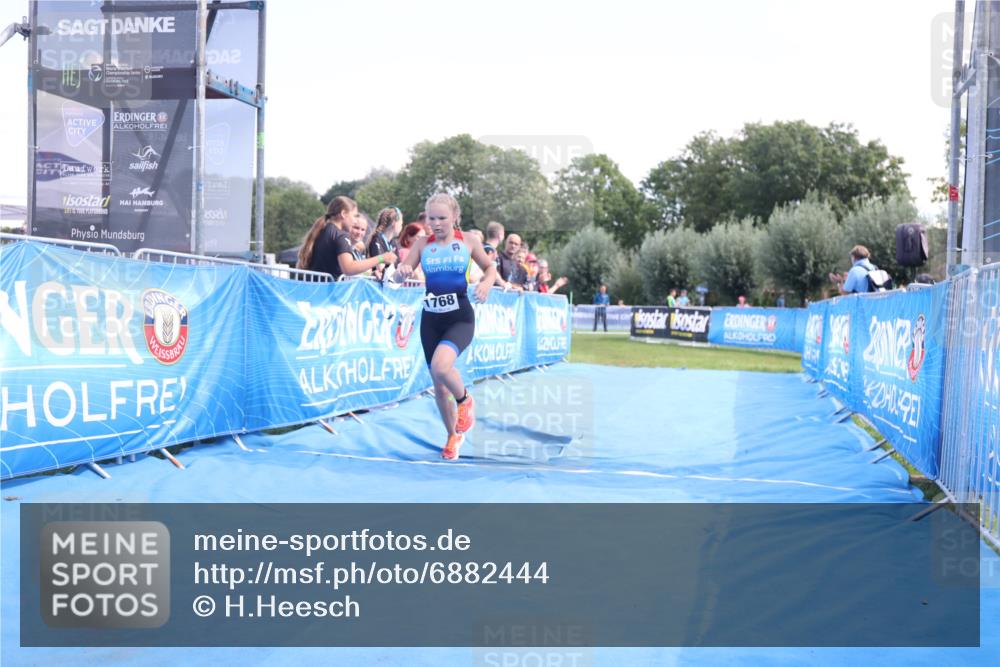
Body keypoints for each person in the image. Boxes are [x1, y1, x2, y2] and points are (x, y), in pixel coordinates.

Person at [395, 193, 496, 461]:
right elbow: (400, 272)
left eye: (442, 218)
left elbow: (491, 268)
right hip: (431, 319)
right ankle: (453, 435)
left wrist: (486, 284)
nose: (436, 223)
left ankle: (465, 400)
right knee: (438, 385)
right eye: (431, 218)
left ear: (454, 218)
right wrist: (400, 272)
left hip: (459, 317)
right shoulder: (421, 244)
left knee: (441, 367)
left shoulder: (468, 241)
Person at [298, 196, 395, 280]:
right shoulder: (341, 235)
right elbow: (348, 268)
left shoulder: (322, 229)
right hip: (331, 294)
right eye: (354, 216)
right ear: (344, 214)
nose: (355, 221)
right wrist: (382, 258)